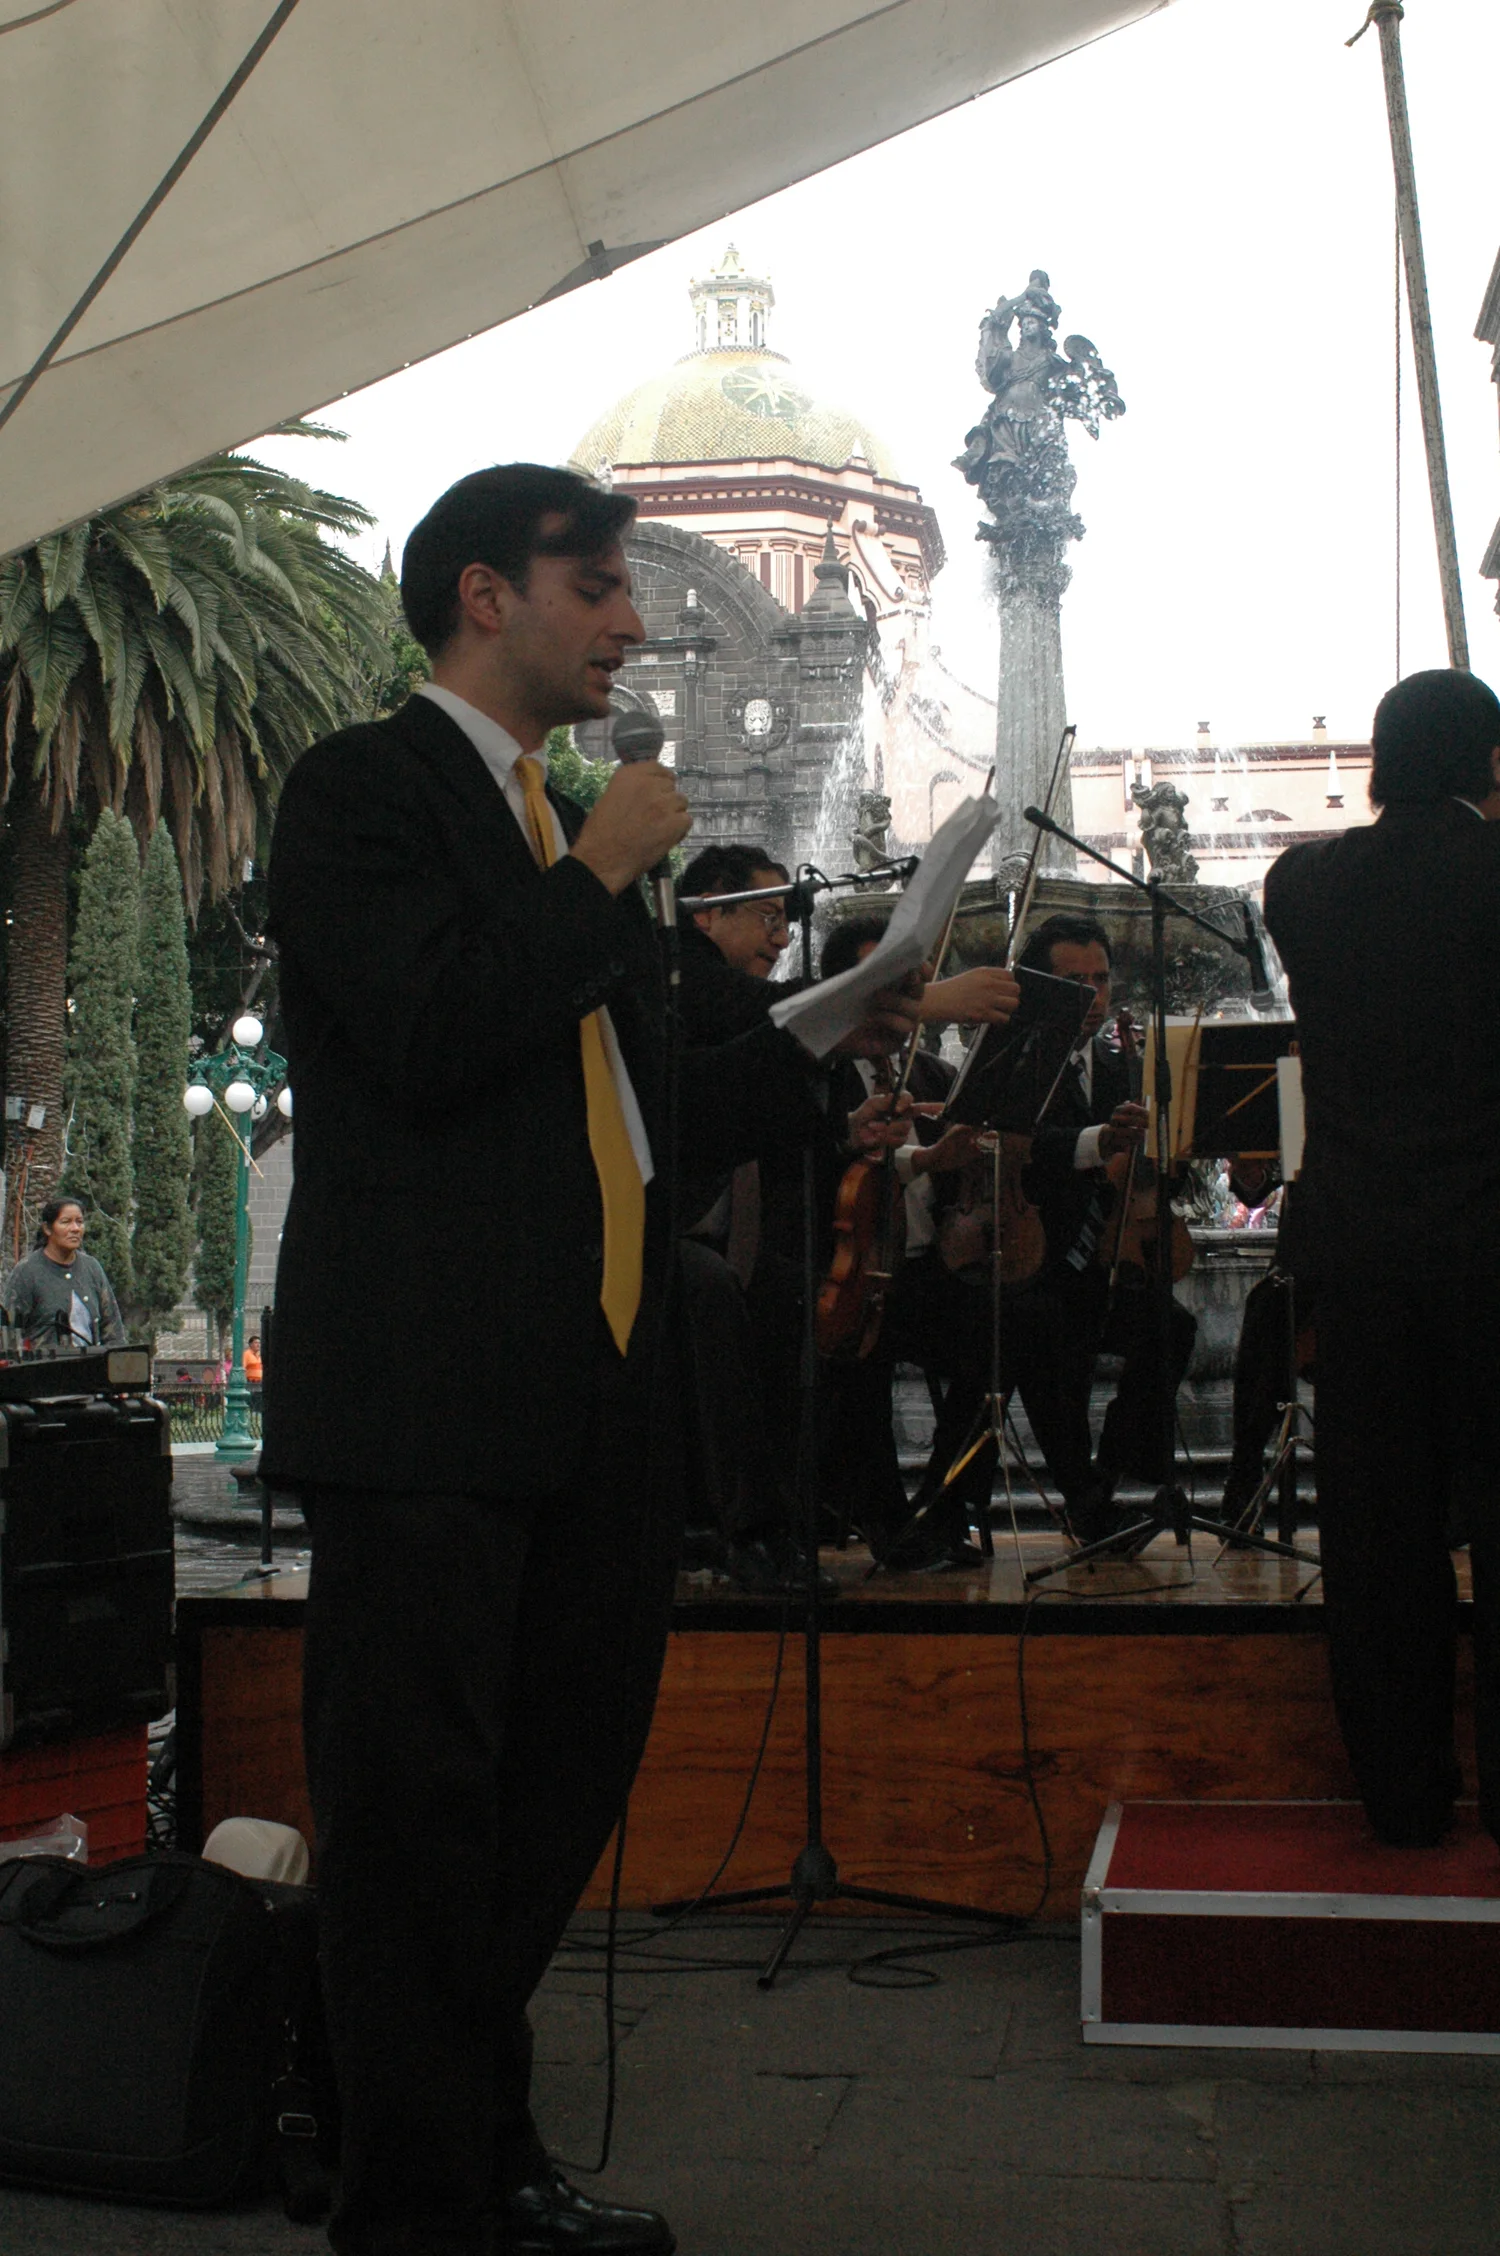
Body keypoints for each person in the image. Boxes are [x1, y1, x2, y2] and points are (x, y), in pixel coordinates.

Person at [262, 462, 918, 2256]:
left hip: (601, 1394)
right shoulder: (363, 792)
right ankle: (419, 2200)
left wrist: (848, 1026)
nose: (635, 621)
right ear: (489, 594)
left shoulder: (575, 834)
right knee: (419, 1816)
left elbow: (648, 1100)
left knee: (553, 1791)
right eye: (604, 585)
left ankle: (466, 2143)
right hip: (429, 1400)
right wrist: (608, 875)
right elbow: (422, 1033)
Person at [1263, 666, 1500, 1848]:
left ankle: (1402, 1799)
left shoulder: (1302, 884)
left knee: (1375, 1531)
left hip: (1356, 1246)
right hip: (1490, 1243)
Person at [2, 1195, 126, 1348]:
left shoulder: (91, 1268)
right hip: (43, 1368)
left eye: (79, 1222)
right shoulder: (27, 1271)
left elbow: (113, 1330)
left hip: (92, 1367)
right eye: (65, 1222)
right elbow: (7, 1331)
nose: (75, 1228)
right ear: (48, 1228)